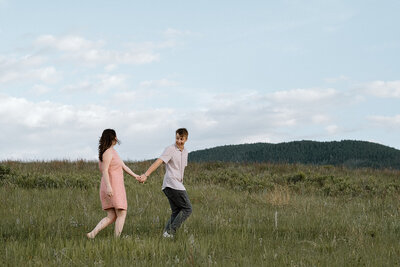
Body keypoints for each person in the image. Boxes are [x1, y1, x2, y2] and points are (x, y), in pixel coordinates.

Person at [139, 128, 192, 238]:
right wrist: (146, 174)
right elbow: (159, 162)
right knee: (187, 209)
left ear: (186, 139)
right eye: (177, 138)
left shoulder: (186, 152)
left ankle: (166, 234)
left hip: (177, 184)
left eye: (181, 139)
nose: (179, 141)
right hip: (171, 184)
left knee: (177, 211)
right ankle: (170, 232)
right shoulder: (170, 149)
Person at [87, 129, 140, 238]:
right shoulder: (108, 152)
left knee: (112, 216)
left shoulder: (112, 151)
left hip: (115, 186)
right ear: (112, 138)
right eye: (115, 136)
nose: (117, 139)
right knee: (122, 213)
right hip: (112, 186)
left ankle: (92, 234)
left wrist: (136, 176)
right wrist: (109, 187)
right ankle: (116, 240)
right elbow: (105, 171)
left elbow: (124, 166)